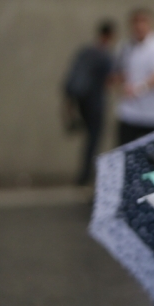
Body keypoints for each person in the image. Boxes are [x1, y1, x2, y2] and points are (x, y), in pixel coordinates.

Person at [63, 19, 116, 185]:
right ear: (111, 35)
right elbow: (109, 81)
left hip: (81, 102)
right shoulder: (105, 56)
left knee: (88, 140)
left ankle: (84, 174)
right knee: (94, 140)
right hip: (95, 102)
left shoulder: (85, 51)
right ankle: (87, 174)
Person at [114, 8, 154, 146]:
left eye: (143, 22)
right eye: (136, 22)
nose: (139, 26)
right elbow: (120, 73)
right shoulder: (125, 46)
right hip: (129, 113)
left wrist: (140, 88)